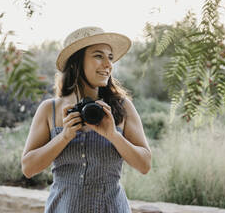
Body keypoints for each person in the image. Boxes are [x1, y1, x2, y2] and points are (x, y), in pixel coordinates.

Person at [21, 26, 151, 213]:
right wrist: (64, 137)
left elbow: (145, 165)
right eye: (99, 56)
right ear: (76, 62)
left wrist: (113, 135)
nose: (108, 64)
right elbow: (28, 168)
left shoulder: (122, 107)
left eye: (110, 57)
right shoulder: (49, 109)